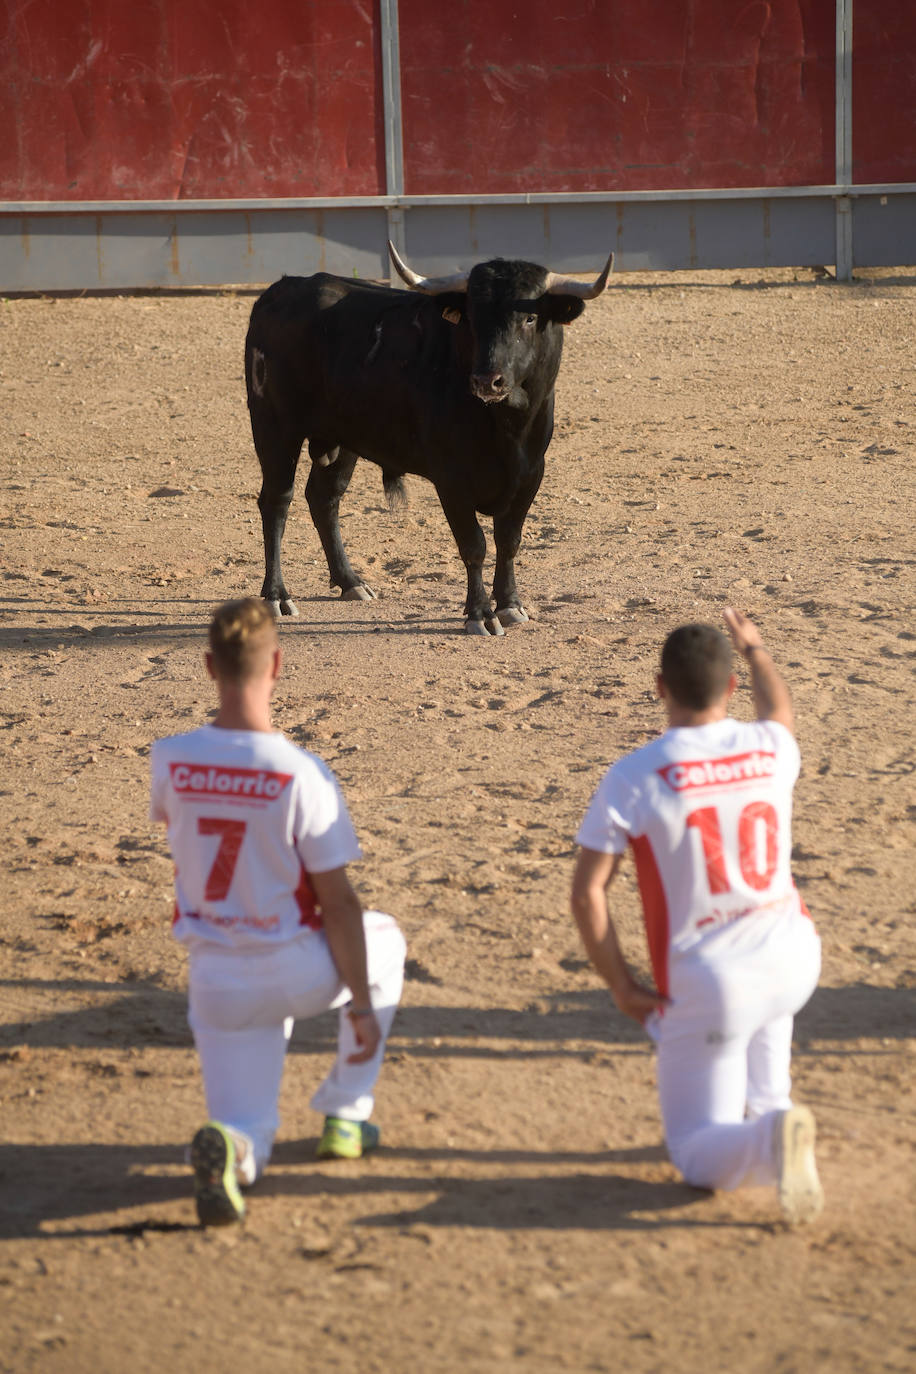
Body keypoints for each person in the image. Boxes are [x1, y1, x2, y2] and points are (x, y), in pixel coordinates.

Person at [150, 598, 406, 1226]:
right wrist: (364, 1008)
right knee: (385, 937)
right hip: (293, 967)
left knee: (245, 1126)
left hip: (215, 978)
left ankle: (234, 1150)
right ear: (278, 666)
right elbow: (339, 904)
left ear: (210, 665)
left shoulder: (170, 760)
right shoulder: (301, 773)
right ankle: (347, 1114)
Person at [570, 608, 823, 1223]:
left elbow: (588, 894)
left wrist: (622, 985)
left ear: (660, 687)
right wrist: (757, 651)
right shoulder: (770, 746)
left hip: (713, 978)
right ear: (731, 687)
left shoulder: (634, 776)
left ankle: (770, 1142)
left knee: (692, 1154)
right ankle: (776, 1124)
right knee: (766, 1091)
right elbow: (779, 713)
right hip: (793, 954)